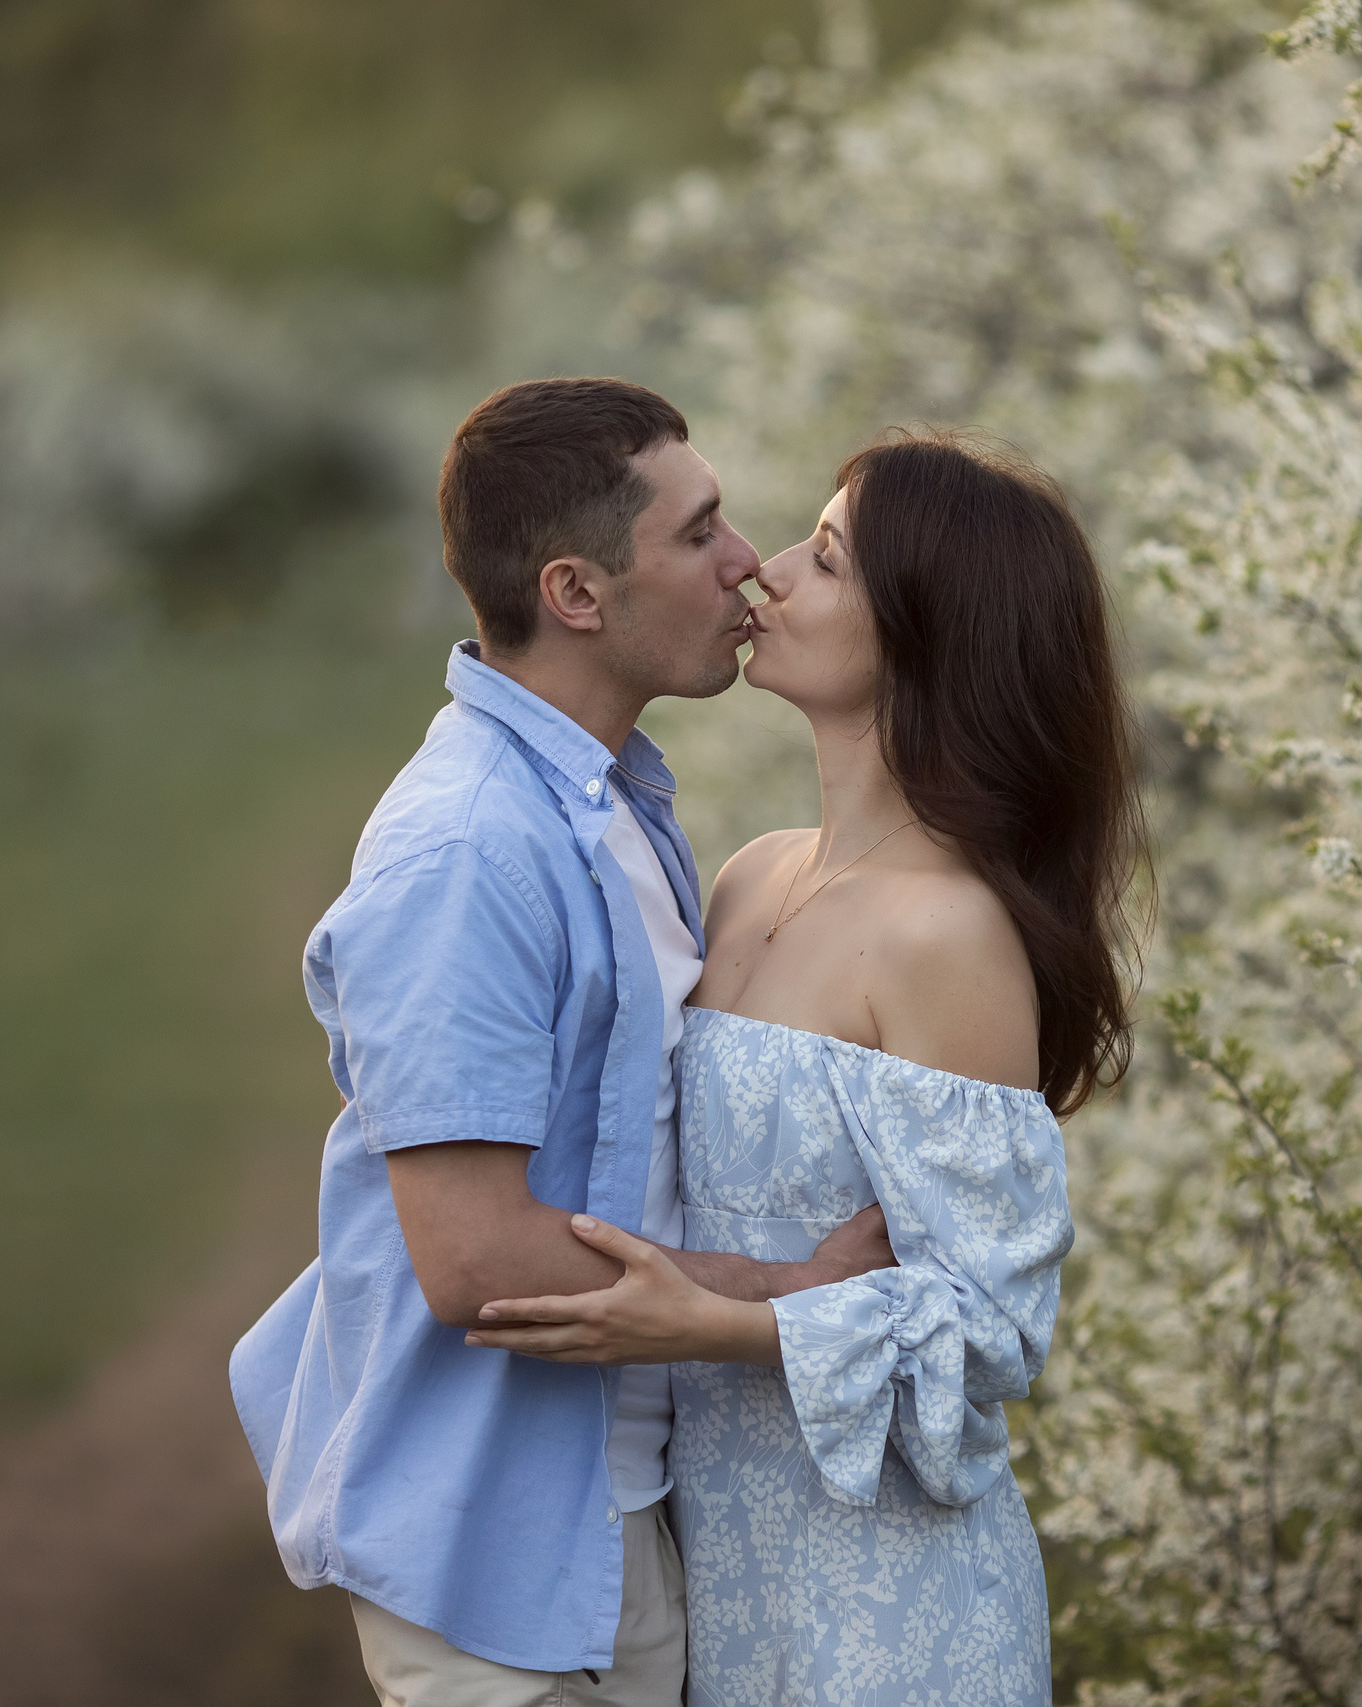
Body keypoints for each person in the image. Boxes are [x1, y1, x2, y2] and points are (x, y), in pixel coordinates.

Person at [229, 376, 898, 1707]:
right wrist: (782, 1291)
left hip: (611, 1513)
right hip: (493, 1547)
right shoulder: (471, 850)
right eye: (699, 531)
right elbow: (477, 1258)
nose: (744, 564)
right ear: (580, 593)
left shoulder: (614, 800)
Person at [467, 432, 1144, 1706]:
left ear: (924, 634)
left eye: (823, 557)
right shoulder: (747, 874)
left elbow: (988, 1329)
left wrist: (710, 1323)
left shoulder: (946, 934)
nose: (762, 572)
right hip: (717, 1570)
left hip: (892, 1609)